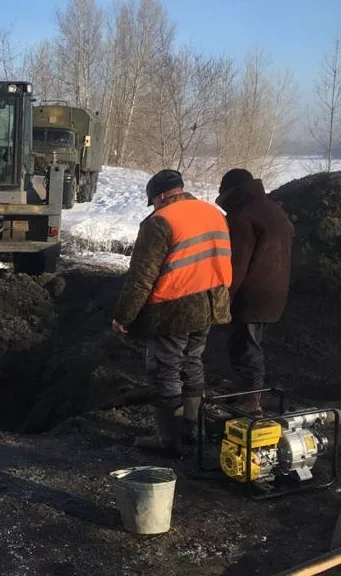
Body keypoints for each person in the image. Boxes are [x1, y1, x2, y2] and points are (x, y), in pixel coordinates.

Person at [111, 169, 232, 456]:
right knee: (192, 362)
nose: (153, 206)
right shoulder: (212, 213)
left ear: (161, 195)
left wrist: (124, 316)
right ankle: (191, 429)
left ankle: (169, 440)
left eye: (153, 200)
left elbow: (141, 277)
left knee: (165, 370)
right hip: (211, 302)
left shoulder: (160, 221)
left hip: (173, 307)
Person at [215, 168, 295, 414]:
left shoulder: (242, 216)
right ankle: (246, 391)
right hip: (273, 293)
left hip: (251, 296)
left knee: (245, 347)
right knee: (251, 344)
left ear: (231, 192)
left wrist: (223, 299)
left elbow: (235, 264)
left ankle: (251, 399)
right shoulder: (273, 210)